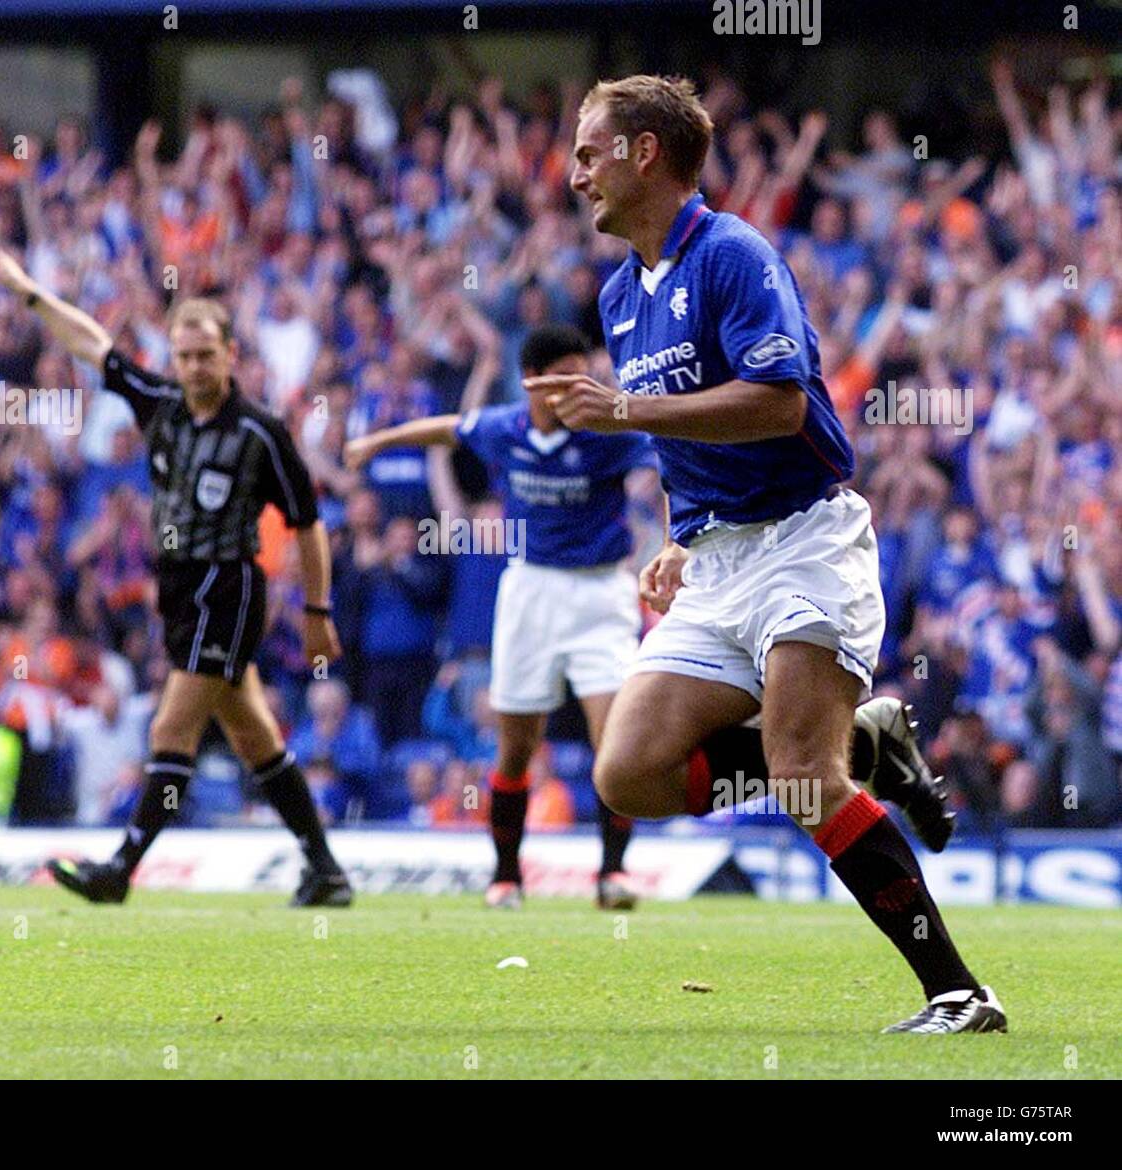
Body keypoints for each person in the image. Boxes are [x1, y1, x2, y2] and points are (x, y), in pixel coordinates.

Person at [533, 74, 1006, 1033]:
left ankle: (959, 995)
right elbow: (686, 436)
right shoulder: (623, 293)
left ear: (644, 154)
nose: (575, 173)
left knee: (800, 776)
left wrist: (625, 408)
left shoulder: (735, 254)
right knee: (626, 774)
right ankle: (869, 742)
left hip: (803, 542)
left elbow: (779, 403)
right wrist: (678, 534)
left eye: (589, 152)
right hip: (717, 565)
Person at [0, 235, 352, 907]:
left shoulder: (261, 432)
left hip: (229, 586)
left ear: (232, 356)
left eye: (207, 354)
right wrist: (25, 289)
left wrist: (318, 613)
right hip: (179, 588)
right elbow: (91, 343)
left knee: (169, 731)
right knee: (253, 734)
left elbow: (308, 524)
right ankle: (325, 867)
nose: (196, 366)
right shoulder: (161, 404)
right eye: (184, 355)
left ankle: (120, 868)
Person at [348, 323, 656, 909]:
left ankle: (612, 874)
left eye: (585, 373)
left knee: (614, 742)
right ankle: (506, 875)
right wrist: (375, 444)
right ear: (533, 382)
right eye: (567, 376)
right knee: (515, 747)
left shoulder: (609, 433)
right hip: (530, 592)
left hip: (600, 594)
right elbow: (447, 429)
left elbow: (672, 458)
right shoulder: (506, 428)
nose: (580, 387)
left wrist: (671, 541)